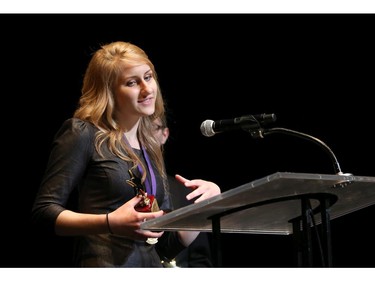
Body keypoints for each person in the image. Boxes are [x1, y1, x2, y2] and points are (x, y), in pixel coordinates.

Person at [31, 41, 221, 267]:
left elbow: (166, 244)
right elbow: (43, 213)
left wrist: (204, 207)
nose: (147, 89)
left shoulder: (149, 143)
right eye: (132, 82)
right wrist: (110, 222)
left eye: (148, 77)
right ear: (109, 92)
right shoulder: (83, 133)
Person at [152, 116, 213, 267]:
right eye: (139, 128)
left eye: (152, 128)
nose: (145, 135)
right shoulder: (120, 187)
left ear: (164, 135)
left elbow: (200, 260)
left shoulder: (185, 191)